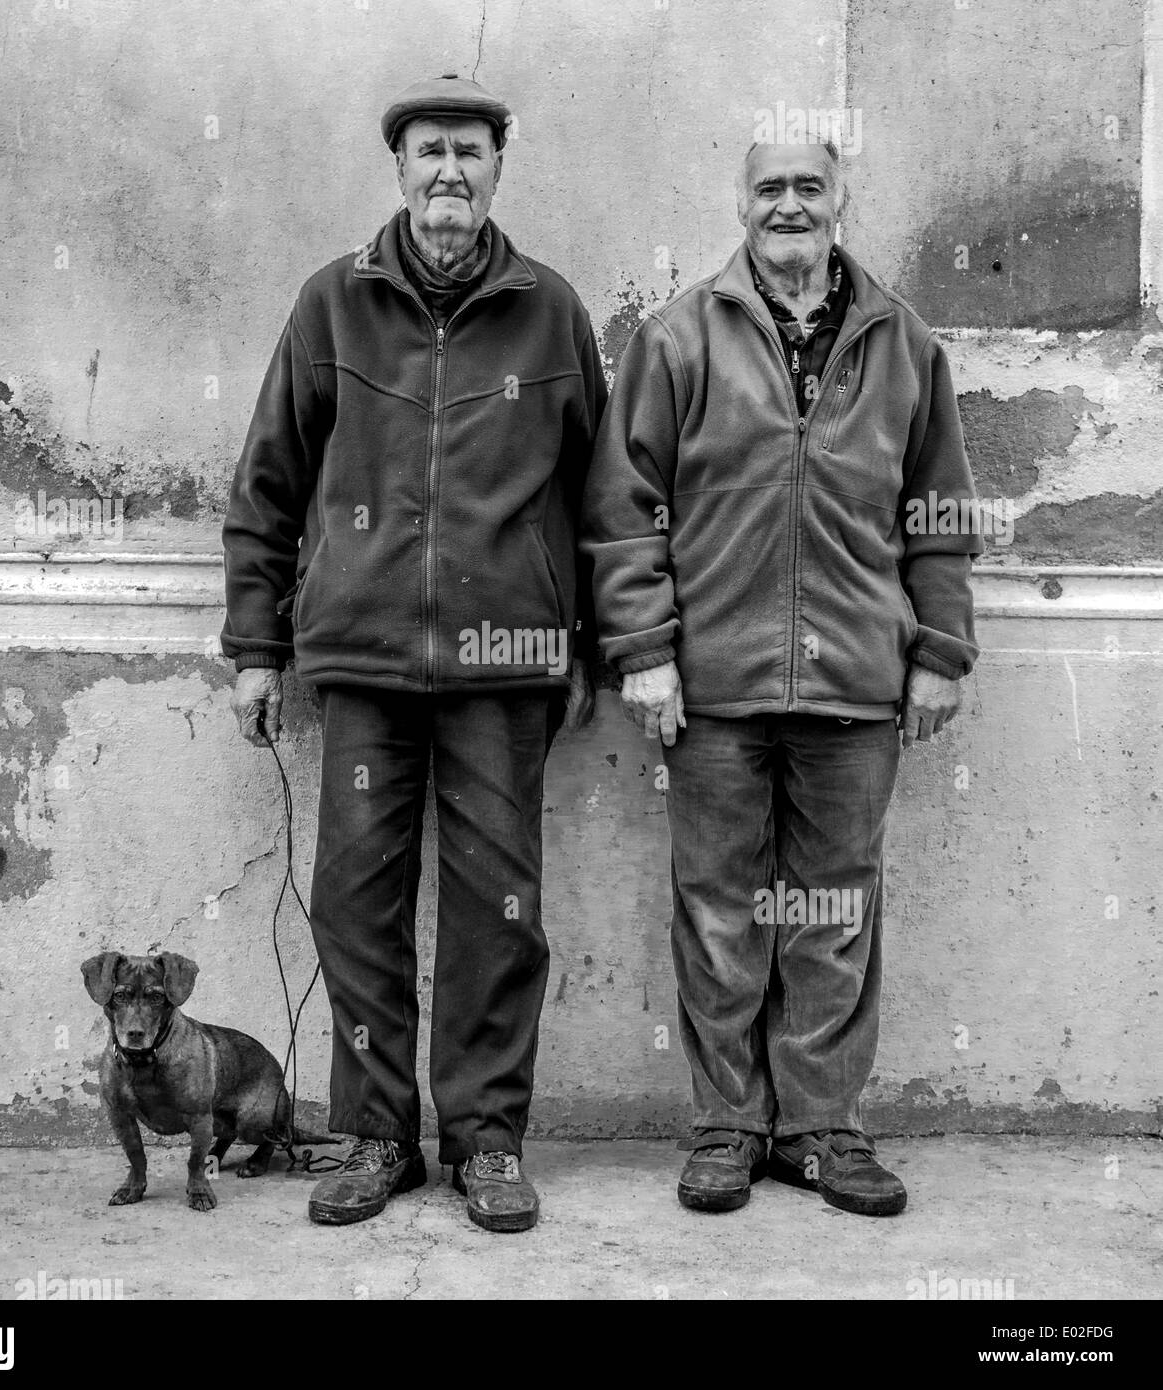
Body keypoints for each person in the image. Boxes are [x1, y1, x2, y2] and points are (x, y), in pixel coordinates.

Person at [221, 74, 606, 1233]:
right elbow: (267, 484)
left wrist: (591, 642)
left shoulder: (550, 311)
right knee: (354, 902)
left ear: (499, 170)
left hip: (507, 666)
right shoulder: (331, 305)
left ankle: (486, 1140)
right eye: (430, 151)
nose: (450, 171)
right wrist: (254, 645)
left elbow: (600, 494)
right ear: (398, 169)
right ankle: (377, 1133)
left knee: (498, 912)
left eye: (471, 153)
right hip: (365, 662)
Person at [583, 135, 982, 1218]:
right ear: (742, 202)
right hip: (712, 684)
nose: (789, 205)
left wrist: (939, 649)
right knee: (719, 911)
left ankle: (819, 1130)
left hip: (857, 681)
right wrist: (646, 650)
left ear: (842, 198)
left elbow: (937, 511)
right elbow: (622, 514)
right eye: (770, 188)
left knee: (833, 911)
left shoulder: (902, 341)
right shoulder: (679, 336)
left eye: (810, 186)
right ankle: (725, 1126)